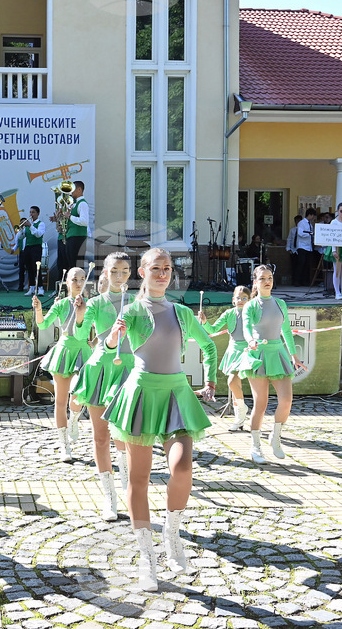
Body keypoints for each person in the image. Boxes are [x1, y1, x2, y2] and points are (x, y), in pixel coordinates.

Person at [103, 247, 217, 591]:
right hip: (141, 395)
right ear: (142, 271)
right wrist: (113, 337)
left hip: (176, 395)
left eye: (167, 268)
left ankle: (172, 534)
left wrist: (210, 379)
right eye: (156, 268)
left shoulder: (182, 312)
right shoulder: (133, 311)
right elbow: (109, 348)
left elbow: (208, 346)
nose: (163, 273)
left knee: (182, 467)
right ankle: (147, 560)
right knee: (138, 479)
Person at [72, 253, 133, 521]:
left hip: (129, 370)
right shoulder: (95, 302)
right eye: (114, 271)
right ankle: (110, 497)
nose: (120, 276)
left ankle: (127, 486)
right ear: (105, 274)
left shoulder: (138, 302)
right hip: (100, 369)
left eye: (125, 271)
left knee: (123, 434)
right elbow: (78, 333)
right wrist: (81, 314)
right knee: (101, 436)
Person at [240, 264, 301, 463]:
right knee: (260, 404)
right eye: (263, 278)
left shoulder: (280, 303)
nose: (267, 281)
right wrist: (250, 341)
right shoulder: (250, 305)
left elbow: (287, 331)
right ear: (255, 283)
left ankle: (275, 438)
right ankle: (255, 445)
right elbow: (247, 327)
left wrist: (293, 355)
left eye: (270, 278)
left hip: (278, 354)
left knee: (286, 400)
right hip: (258, 355)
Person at [33, 267, 92, 462]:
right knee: (60, 401)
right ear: (67, 282)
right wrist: (39, 310)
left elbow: (101, 330)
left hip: (83, 352)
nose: (79, 283)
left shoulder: (90, 305)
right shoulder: (60, 305)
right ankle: (64, 444)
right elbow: (42, 325)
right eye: (75, 279)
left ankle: (75, 418)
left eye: (82, 279)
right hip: (64, 352)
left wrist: (95, 344)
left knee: (78, 395)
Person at [199, 286, 252, 430]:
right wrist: (205, 321)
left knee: (237, 383)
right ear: (233, 300)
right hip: (234, 351)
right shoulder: (229, 314)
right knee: (234, 384)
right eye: (238, 298)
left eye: (244, 298)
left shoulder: (252, 313)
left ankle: (243, 413)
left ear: (250, 300)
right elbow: (213, 329)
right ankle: (240, 417)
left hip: (249, 351)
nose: (240, 301)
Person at [56, 180, 90, 272]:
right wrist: (60, 214)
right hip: (71, 237)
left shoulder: (82, 204)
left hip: (78, 238)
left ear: (79, 189)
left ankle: (79, 285)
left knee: (77, 265)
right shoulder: (73, 204)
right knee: (71, 264)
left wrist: (70, 216)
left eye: (73, 189)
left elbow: (84, 221)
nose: (70, 192)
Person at [15, 206, 45, 296]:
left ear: (38, 213)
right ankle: (31, 288)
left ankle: (40, 288)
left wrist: (30, 226)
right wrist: (20, 230)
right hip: (27, 248)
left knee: (36, 268)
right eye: (30, 212)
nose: (31, 214)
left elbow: (38, 234)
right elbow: (21, 237)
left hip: (36, 247)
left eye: (33, 212)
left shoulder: (41, 224)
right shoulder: (27, 225)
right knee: (29, 268)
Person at [295, 207, 318, 286]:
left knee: (306, 265)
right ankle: (297, 281)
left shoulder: (310, 224)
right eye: (313, 216)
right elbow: (300, 233)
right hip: (302, 246)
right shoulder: (302, 223)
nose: (314, 218)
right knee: (301, 264)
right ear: (310, 215)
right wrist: (310, 233)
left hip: (308, 247)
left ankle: (304, 281)